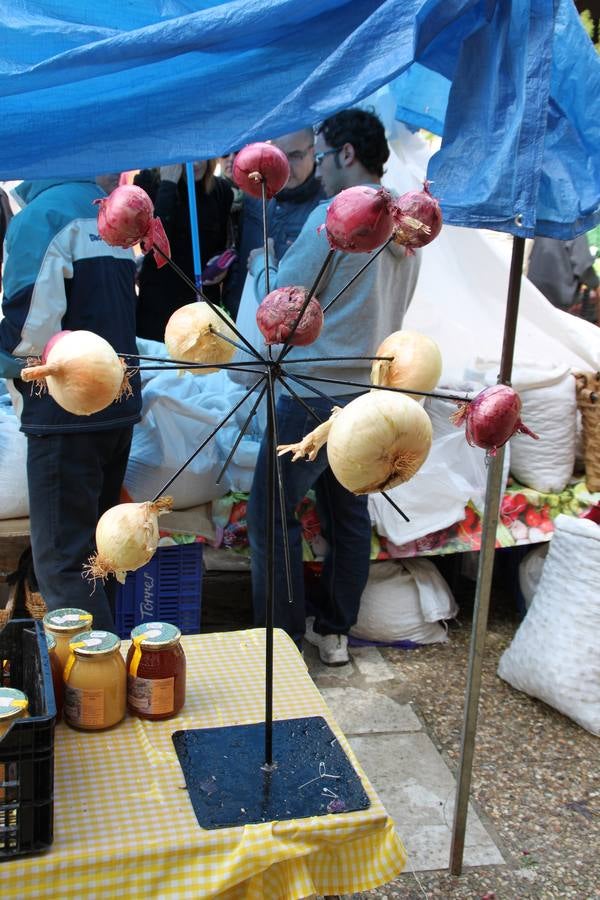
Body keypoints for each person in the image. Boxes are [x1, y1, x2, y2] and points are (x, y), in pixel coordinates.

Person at [246, 109, 421, 665]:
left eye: (320, 154)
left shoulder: (336, 217)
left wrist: (262, 264)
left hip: (311, 393)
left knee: (270, 513)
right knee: (348, 514)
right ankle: (335, 631)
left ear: (347, 153)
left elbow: (284, 298)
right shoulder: (409, 226)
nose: (317, 168)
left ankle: (281, 641)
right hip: (371, 394)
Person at [0, 175, 142, 631]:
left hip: (67, 416)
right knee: (101, 556)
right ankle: (110, 675)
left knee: (66, 565)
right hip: (116, 406)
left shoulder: (42, 217)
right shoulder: (106, 208)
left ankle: (92, 696)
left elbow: (28, 338)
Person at [135, 160, 234, 338]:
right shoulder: (148, 183)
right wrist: (168, 185)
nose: (195, 163)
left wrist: (222, 266)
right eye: (185, 157)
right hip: (159, 307)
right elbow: (153, 244)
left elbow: (223, 244)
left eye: (199, 154)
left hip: (201, 304)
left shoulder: (221, 190)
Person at [527, 235, 599, 325]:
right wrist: (596, 285)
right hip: (557, 302)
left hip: (533, 294)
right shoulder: (574, 227)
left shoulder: (544, 225)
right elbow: (584, 269)